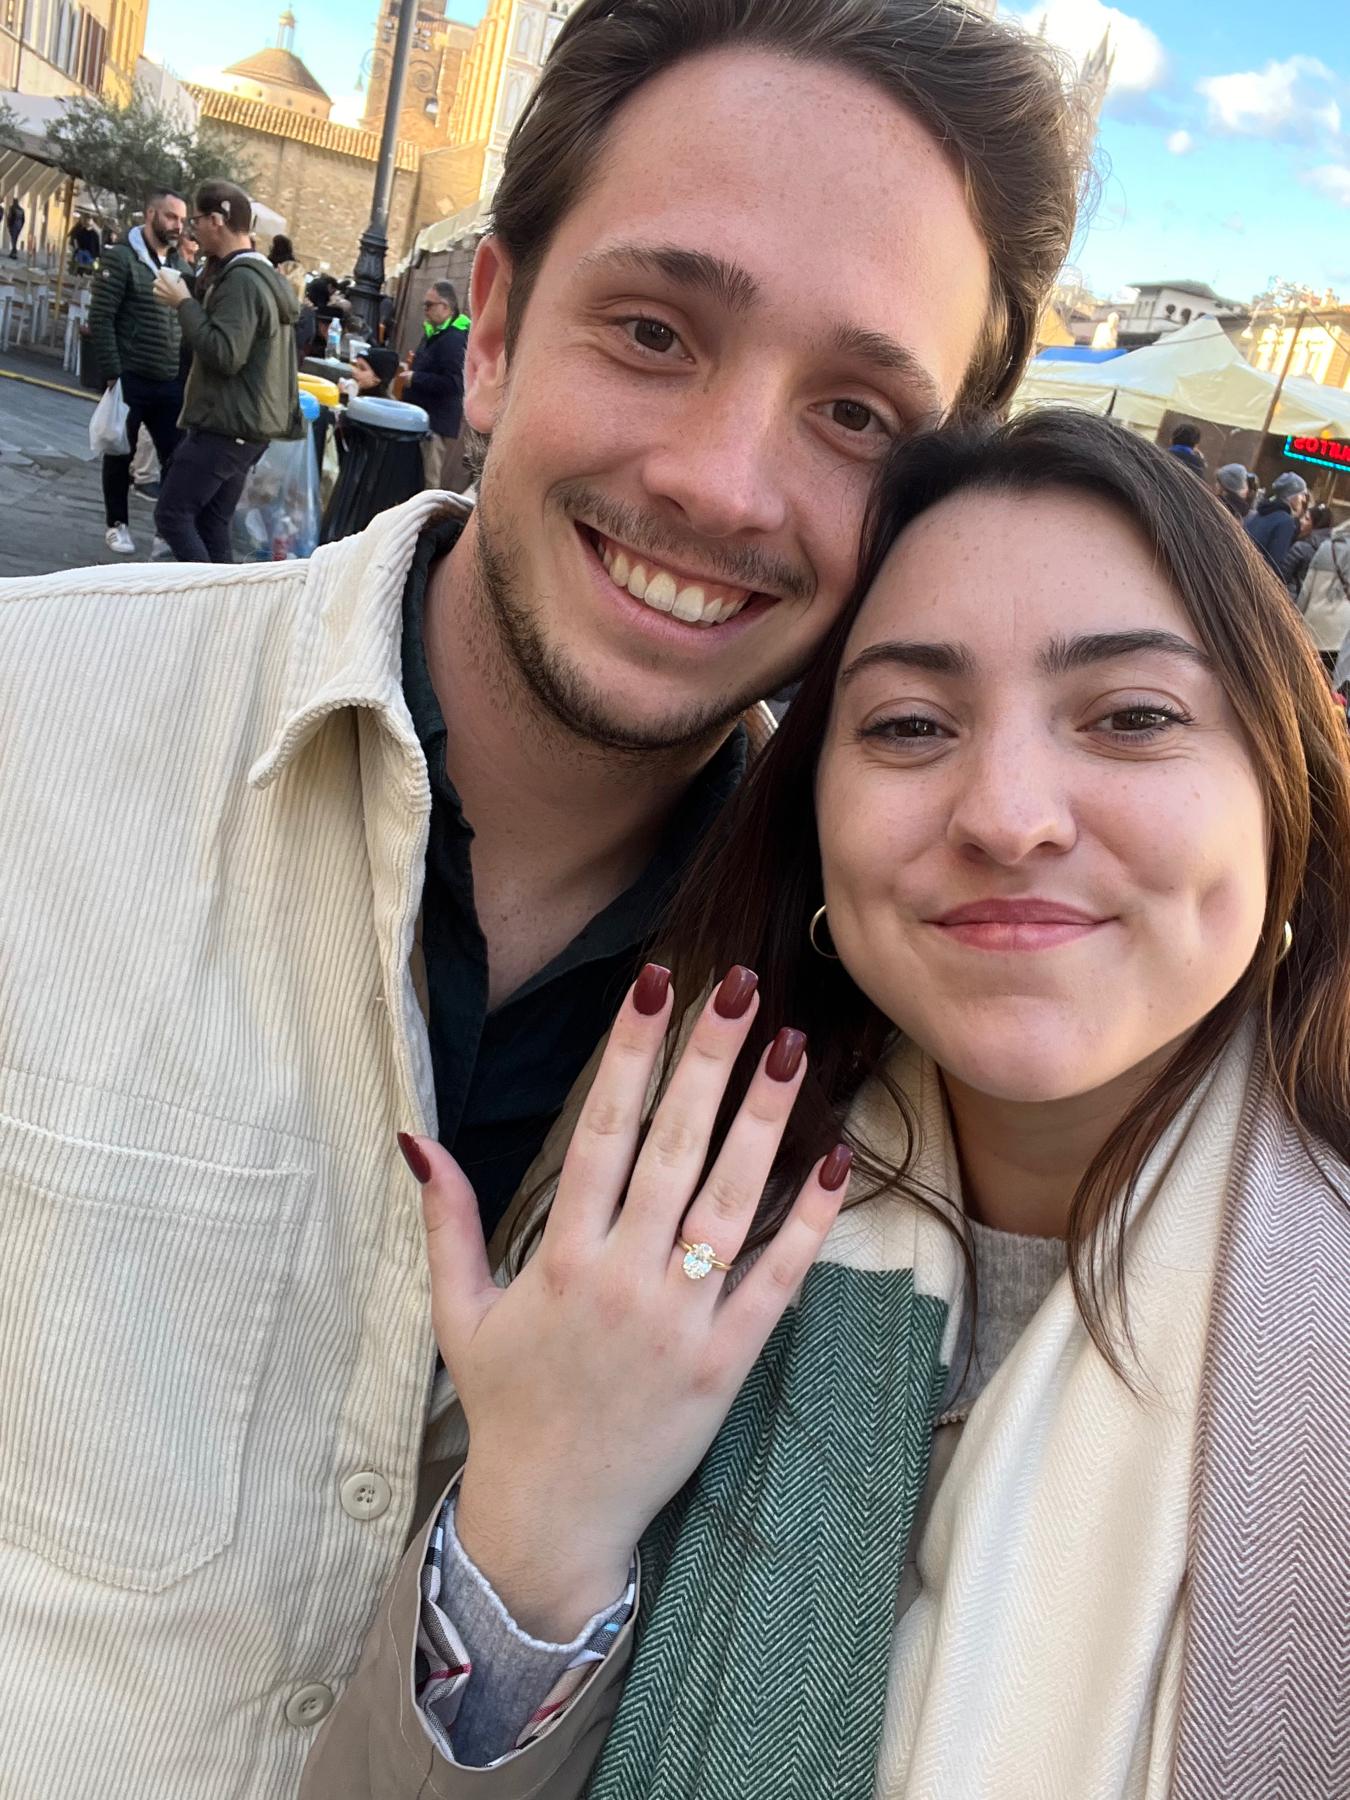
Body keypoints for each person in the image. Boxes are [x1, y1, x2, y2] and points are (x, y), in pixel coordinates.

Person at [0, 1, 1084, 1792]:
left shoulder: (906, 1039)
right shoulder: (37, 725)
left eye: (858, 413)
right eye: (655, 331)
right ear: (491, 332)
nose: (724, 483)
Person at [314, 407, 1350, 1797]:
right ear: (816, 834)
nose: (1007, 813)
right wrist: (533, 1527)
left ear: (1281, 792)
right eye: (910, 724)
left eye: (1131, 717)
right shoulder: (661, 1222)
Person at [150, 179, 302, 561]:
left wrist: (184, 303)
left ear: (217, 219)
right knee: (211, 522)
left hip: (227, 424)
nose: (192, 228)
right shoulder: (252, 274)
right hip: (244, 426)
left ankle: (208, 607)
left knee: (172, 515)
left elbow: (225, 353)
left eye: (197, 219)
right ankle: (227, 610)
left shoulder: (242, 281)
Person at [87, 188, 190, 557]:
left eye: (181, 219)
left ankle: (166, 529)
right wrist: (114, 371)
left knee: (176, 457)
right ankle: (116, 525)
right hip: (130, 376)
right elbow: (101, 317)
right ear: (151, 215)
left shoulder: (180, 264)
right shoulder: (121, 259)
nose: (178, 225)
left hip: (169, 378)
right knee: (119, 451)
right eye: (171, 217)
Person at [403, 279, 468, 489]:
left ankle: (429, 521)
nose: (425, 310)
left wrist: (415, 378)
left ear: (446, 307)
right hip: (424, 419)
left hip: (435, 424)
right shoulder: (437, 332)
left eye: (429, 305)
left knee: (428, 482)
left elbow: (454, 383)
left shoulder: (455, 339)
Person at [1294, 513, 1350, 673]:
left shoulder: (1327, 547)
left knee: (1302, 674)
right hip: (1341, 635)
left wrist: (1297, 621)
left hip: (1314, 626)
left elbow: (1306, 591)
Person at [1244, 469, 1309, 574]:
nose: (1304, 500)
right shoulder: (1285, 522)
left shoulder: (1258, 513)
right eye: (1302, 494)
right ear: (1292, 495)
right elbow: (1274, 564)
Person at [1283, 498, 1332, 598]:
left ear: (1316, 525)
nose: (1301, 521)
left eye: (1306, 519)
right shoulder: (1332, 551)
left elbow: (1282, 577)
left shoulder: (1301, 548)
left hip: (1290, 599)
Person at [5, 193, 23, 258]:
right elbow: (23, 219)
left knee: (13, 239)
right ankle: (14, 252)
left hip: (13, 226)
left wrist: (8, 224)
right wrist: (21, 227)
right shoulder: (21, 210)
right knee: (15, 239)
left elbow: (9, 217)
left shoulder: (12, 208)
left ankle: (14, 252)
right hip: (19, 226)